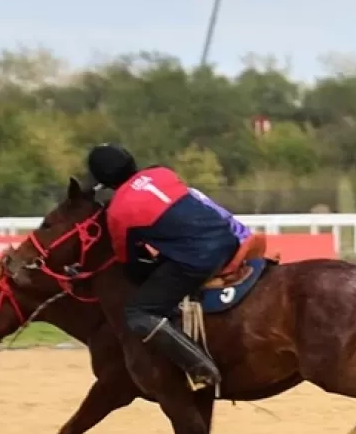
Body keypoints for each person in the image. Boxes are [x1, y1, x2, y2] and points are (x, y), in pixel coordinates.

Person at [86, 144, 242, 389]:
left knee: (139, 312)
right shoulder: (162, 173)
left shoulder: (117, 213)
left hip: (198, 258)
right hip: (228, 238)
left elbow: (131, 263)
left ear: (103, 181)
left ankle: (200, 366)